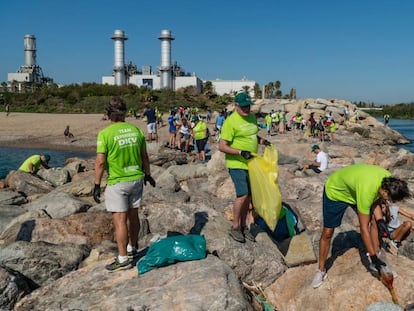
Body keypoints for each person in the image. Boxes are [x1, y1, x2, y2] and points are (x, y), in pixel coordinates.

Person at [311, 164, 410, 288]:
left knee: (375, 221)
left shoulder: (389, 181)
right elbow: (363, 228)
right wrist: (371, 256)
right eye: (390, 198)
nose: (390, 201)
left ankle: (380, 262)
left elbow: (376, 199)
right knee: (328, 232)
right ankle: (320, 270)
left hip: (356, 190)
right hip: (336, 192)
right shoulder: (367, 191)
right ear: (385, 191)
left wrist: (380, 220)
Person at [94, 96, 156, 272]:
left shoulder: (105, 134)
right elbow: (145, 156)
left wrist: (97, 184)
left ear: (108, 114)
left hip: (118, 181)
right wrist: (148, 174)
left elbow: (99, 162)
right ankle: (132, 247)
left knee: (120, 220)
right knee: (133, 215)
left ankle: (122, 259)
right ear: (126, 113)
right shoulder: (135, 131)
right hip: (136, 179)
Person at [218, 92, 270, 243]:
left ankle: (244, 226)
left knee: (249, 196)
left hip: (251, 163)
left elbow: (252, 135)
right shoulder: (231, 122)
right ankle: (235, 227)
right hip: (237, 164)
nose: (247, 109)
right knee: (242, 194)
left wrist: (263, 141)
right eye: (244, 107)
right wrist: (240, 152)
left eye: (248, 106)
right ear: (236, 106)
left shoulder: (252, 118)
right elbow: (222, 146)